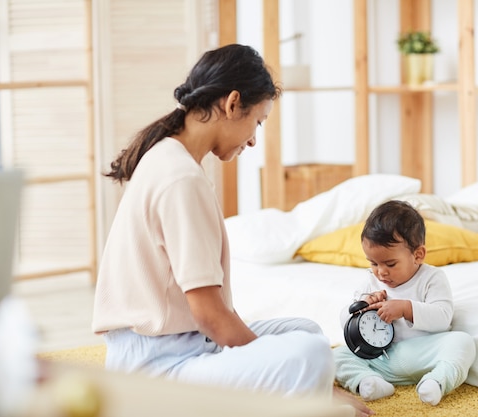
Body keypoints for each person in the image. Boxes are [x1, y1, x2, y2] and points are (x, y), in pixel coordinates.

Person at [92, 44, 372, 416]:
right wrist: (295, 376)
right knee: (311, 354)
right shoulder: (180, 178)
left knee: (304, 331)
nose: (254, 139)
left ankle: (305, 394)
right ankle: (314, 401)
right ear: (232, 103)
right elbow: (210, 315)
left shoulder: (168, 156)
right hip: (159, 369)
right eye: (257, 121)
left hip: (178, 346)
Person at [333, 200, 476, 405]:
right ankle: (369, 382)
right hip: (382, 358)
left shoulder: (432, 278)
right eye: (373, 263)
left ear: (418, 255)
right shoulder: (370, 281)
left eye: (390, 264)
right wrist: (362, 304)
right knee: (336, 355)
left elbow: (443, 318)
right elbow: (345, 323)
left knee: (463, 343)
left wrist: (406, 308)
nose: (381, 272)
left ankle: (436, 381)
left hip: (424, 353)